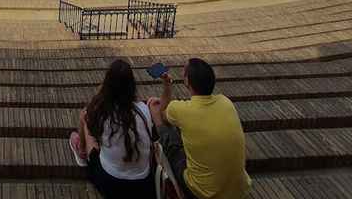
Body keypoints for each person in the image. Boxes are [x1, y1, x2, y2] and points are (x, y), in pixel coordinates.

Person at [147, 58, 251, 199]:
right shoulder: (226, 102)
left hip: (203, 193)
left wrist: (167, 84)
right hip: (239, 190)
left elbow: (162, 111)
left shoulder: (182, 110)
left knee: (167, 133)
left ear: (188, 82)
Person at [68, 60, 155, 198]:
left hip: (111, 183)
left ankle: (82, 151)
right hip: (144, 184)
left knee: (85, 117)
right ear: (132, 85)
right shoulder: (143, 109)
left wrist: (102, 91)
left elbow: (91, 115)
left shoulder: (102, 112)